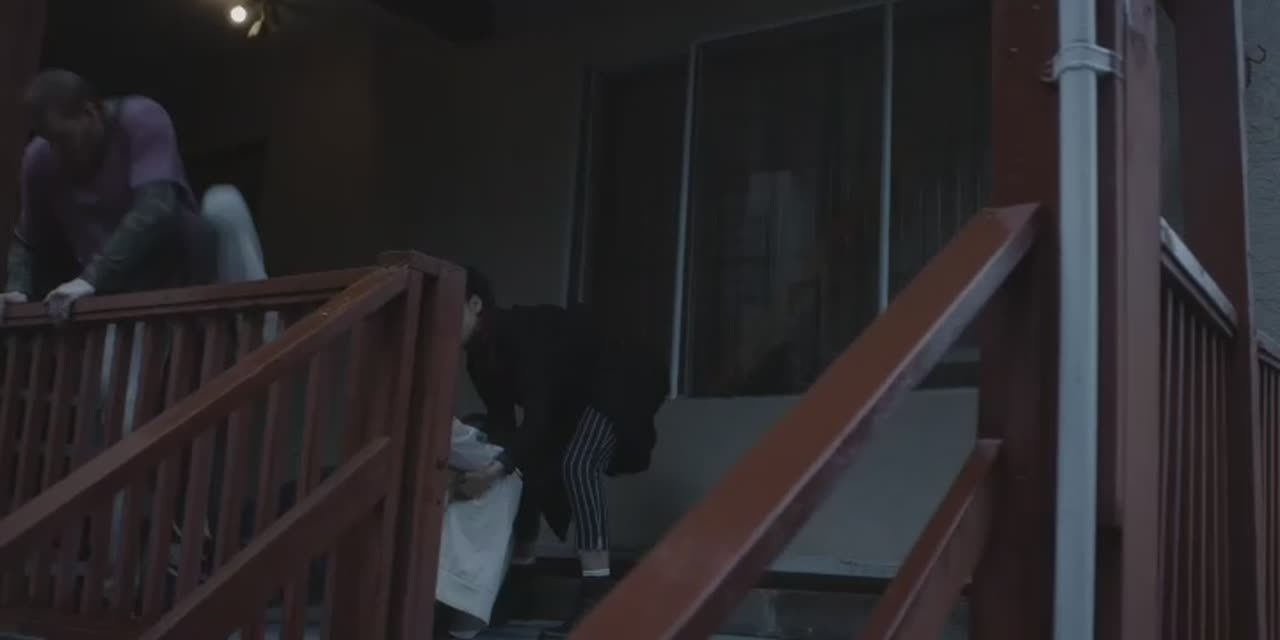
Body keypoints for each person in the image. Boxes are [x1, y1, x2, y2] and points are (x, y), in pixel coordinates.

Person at [456, 267, 668, 636]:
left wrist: (495, 468)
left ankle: (596, 592)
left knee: (578, 464)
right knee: (520, 463)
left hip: (622, 371)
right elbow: (507, 428)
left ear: (475, 304)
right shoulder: (478, 359)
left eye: (448, 311)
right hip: (571, 395)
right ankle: (522, 581)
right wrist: (493, 460)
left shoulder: (521, 333)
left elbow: (537, 416)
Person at [0, 69, 215, 322]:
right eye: (49, 141)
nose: (57, 152)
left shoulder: (141, 119)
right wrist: (17, 288)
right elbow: (27, 239)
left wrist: (90, 279)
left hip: (177, 269)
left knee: (221, 205)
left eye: (63, 138)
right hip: (114, 288)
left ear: (89, 113)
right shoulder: (39, 157)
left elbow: (156, 207)